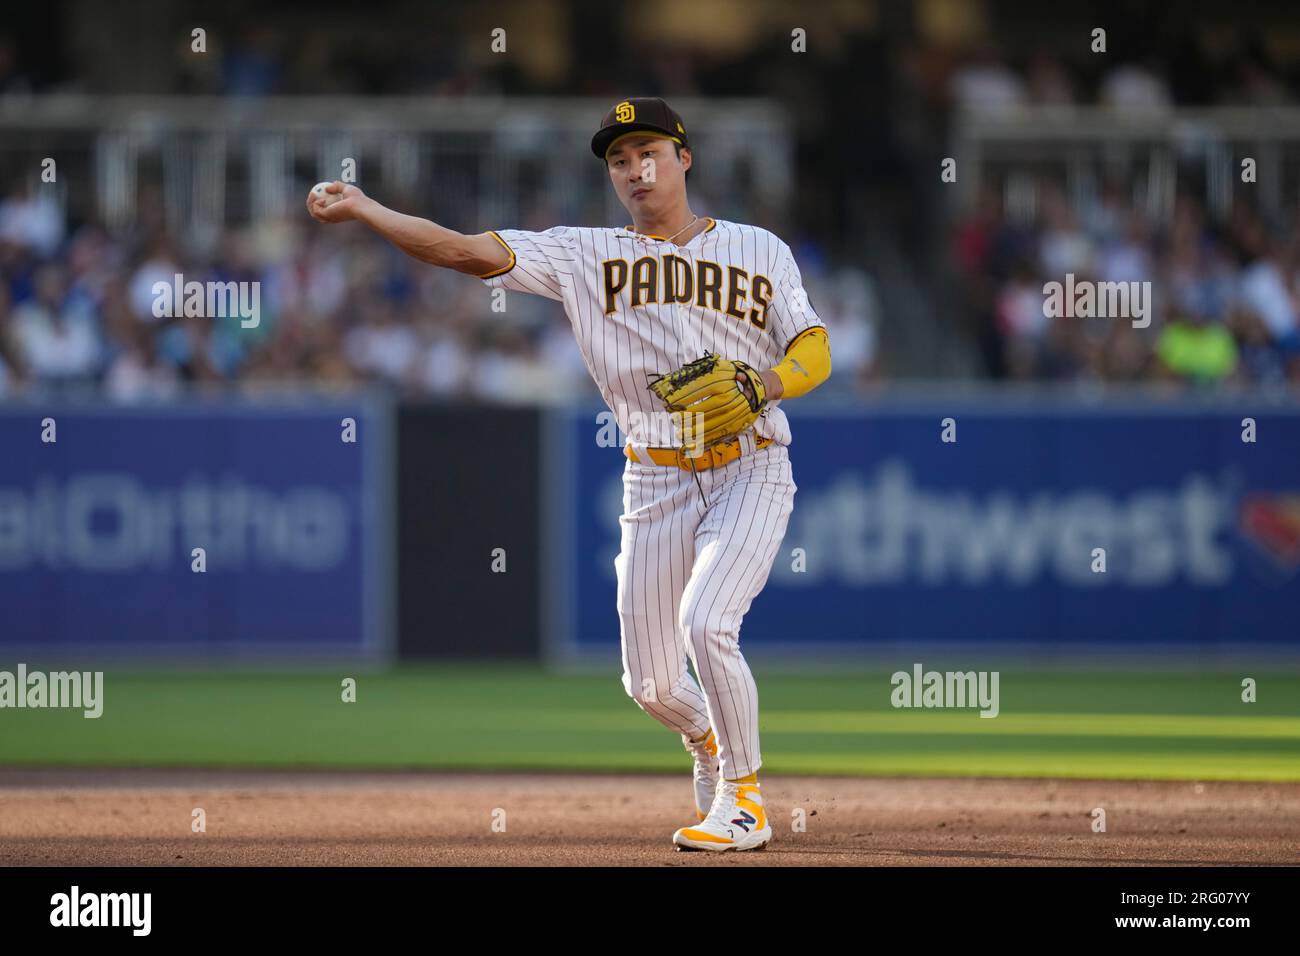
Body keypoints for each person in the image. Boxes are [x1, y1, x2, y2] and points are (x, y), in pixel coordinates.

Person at [307, 97, 832, 852]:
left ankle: (745, 801)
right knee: (649, 685)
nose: (633, 168)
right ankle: (712, 745)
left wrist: (765, 384)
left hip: (752, 464)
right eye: (618, 159)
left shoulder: (758, 249)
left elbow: (813, 347)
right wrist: (367, 209)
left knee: (707, 621)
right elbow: (461, 252)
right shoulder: (584, 254)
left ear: (684, 158)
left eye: (647, 150)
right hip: (654, 479)